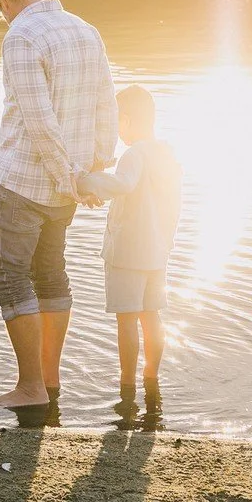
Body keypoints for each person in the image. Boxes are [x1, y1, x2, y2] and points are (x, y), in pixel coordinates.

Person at [0, 0, 117, 408]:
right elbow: (107, 103)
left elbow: (39, 122)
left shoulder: (20, 35)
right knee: (50, 275)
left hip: (25, 182)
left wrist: (73, 177)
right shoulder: (85, 29)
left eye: (1, 9)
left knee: (10, 277)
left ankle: (30, 387)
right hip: (67, 190)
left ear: (4, 1)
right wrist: (92, 173)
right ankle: (49, 380)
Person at [84, 85, 182, 404]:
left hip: (127, 252)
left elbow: (122, 183)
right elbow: (173, 201)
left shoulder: (134, 153)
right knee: (151, 315)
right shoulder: (166, 153)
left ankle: (126, 382)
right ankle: (151, 375)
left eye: (116, 123)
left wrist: (84, 181)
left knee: (127, 318)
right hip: (157, 252)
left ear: (125, 120)